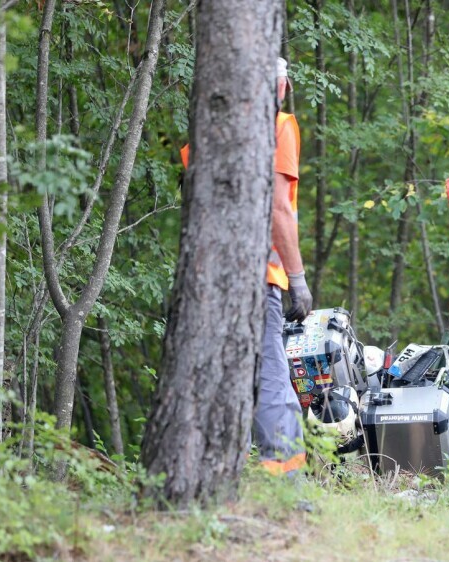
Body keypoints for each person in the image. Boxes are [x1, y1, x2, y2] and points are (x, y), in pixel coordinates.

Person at [180, 57, 312, 476]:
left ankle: (207, 479)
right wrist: (297, 279)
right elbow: (279, 210)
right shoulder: (279, 126)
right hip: (255, 282)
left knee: (219, 387)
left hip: (205, 281)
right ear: (282, 86)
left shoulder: (210, 134)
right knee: (273, 387)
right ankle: (286, 486)